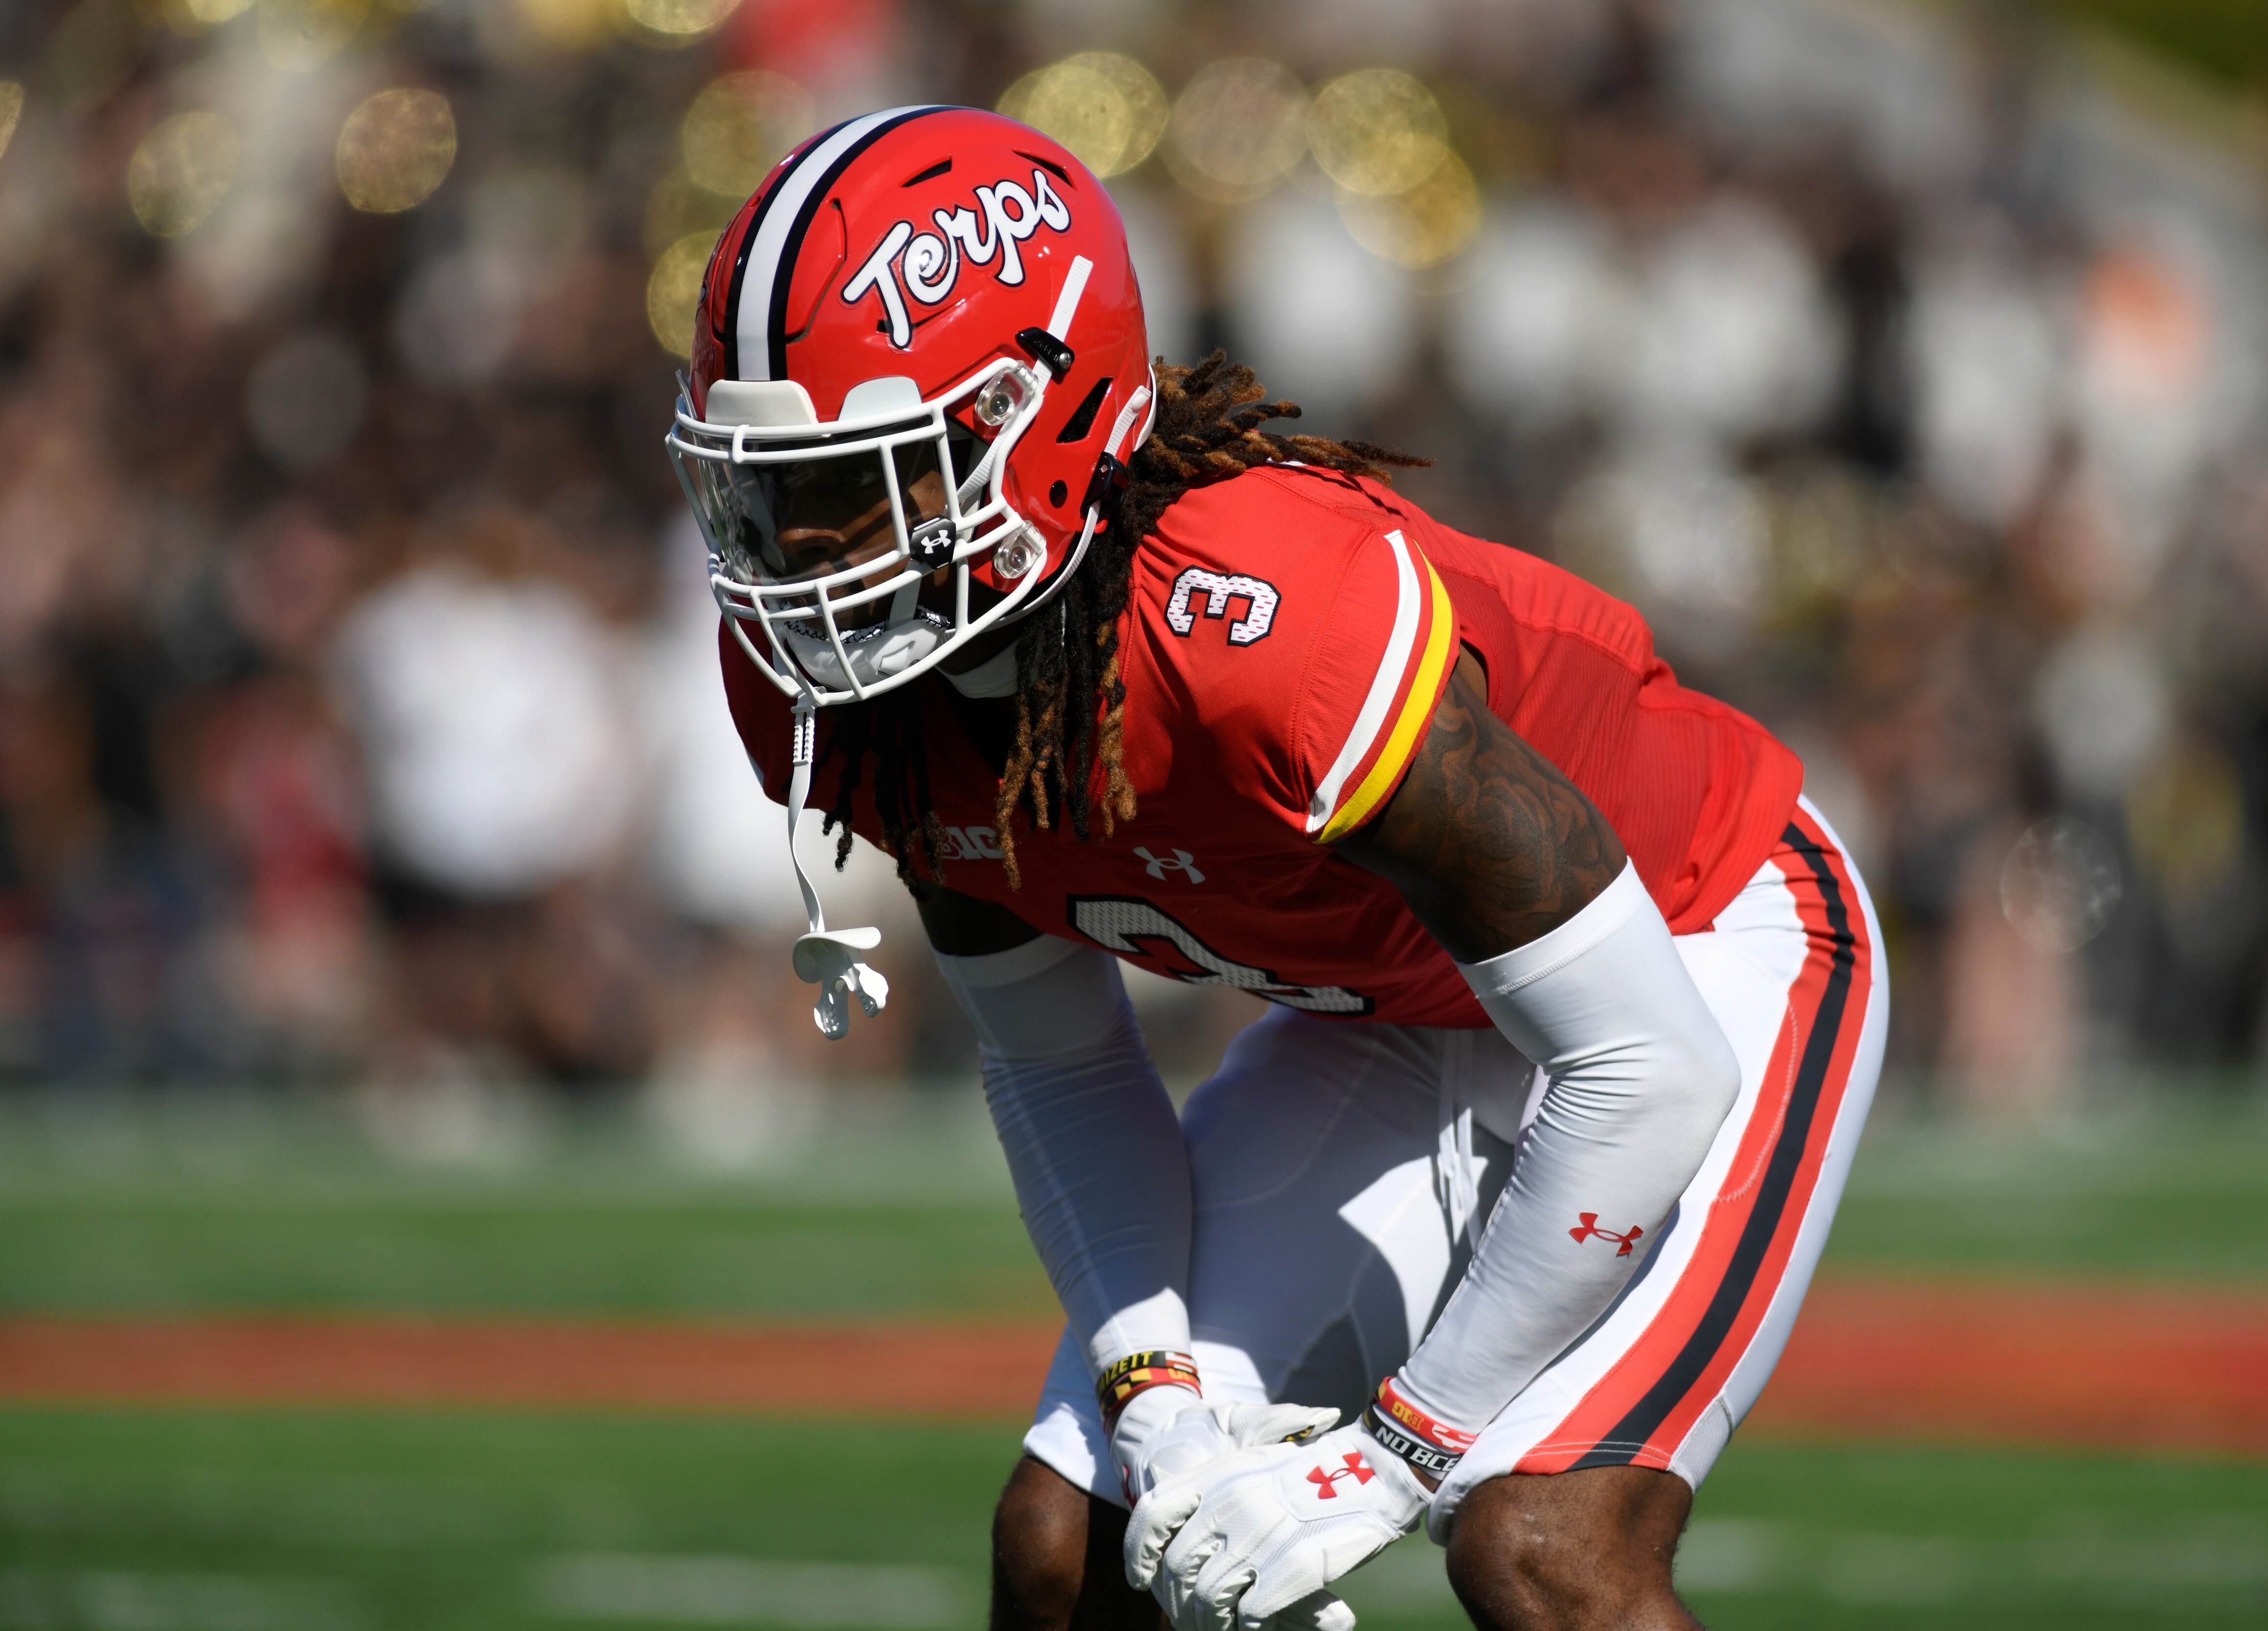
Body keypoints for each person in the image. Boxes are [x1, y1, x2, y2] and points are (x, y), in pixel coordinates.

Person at [677, 106, 1887, 1631]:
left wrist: (1390, 1460)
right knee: (1075, 1542)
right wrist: (1160, 1401)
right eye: (772, 499)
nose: (801, 564)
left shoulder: (1262, 624)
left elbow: (1648, 1068)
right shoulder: (853, 689)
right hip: (1398, 1003)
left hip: (1694, 941)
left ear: (1031, 427)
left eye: (857, 488)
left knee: (1540, 1550)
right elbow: (1056, 1061)